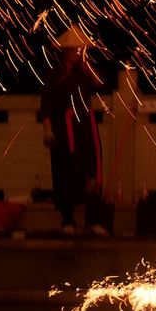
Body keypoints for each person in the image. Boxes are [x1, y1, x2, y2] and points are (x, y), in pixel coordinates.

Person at [39, 25, 108, 236]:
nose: (78, 52)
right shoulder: (54, 74)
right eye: (74, 49)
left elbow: (100, 84)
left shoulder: (84, 72)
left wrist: (87, 67)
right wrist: (47, 130)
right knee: (65, 170)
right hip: (64, 127)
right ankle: (67, 220)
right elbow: (47, 104)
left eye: (80, 49)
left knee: (92, 168)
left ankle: (93, 220)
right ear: (65, 51)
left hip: (86, 126)